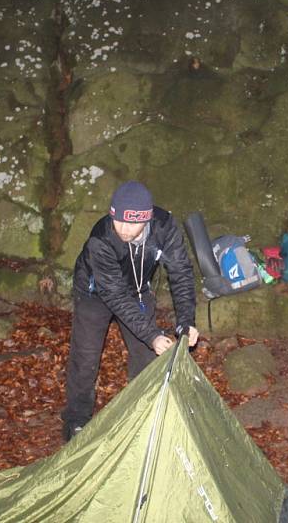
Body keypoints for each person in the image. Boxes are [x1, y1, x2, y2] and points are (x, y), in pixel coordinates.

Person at [62, 181, 199, 441]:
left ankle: (142, 412)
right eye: (118, 221)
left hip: (137, 290)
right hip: (95, 293)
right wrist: (153, 334)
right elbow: (114, 295)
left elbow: (180, 273)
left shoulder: (165, 228)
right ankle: (76, 421)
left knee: (146, 356)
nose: (123, 229)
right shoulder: (101, 238)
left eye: (131, 223)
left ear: (146, 220)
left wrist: (185, 322)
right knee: (86, 357)